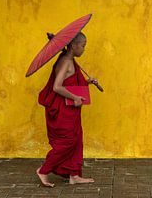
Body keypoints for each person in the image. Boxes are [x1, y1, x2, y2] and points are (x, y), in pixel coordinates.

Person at [36, 32, 98, 187]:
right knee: (68, 142)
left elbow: (69, 81)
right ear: (73, 45)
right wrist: (76, 98)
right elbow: (57, 87)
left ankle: (74, 175)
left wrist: (87, 82)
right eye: (82, 46)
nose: (84, 49)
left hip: (71, 110)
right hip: (63, 109)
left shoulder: (70, 60)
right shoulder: (65, 62)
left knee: (77, 140)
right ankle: (43, 170)